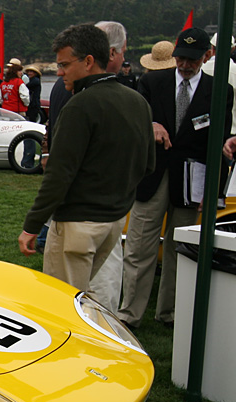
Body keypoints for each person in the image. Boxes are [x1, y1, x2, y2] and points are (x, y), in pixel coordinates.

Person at [18, 24, 155, 301]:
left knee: (62, 304)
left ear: (89, 61)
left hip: (77, 223)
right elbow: (147, 164)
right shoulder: (137, 101)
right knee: (96, 299)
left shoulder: (80, 105)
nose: (59, 72)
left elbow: (59, 173)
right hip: (115, 220)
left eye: (65, 64)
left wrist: (32, 225)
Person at [119, 27, 234, 329]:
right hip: (153, 176)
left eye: (192, 60)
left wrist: (214, 192)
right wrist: (153, 124)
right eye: (181, 58)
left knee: (179, 248)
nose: (184, 66)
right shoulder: (151, 82)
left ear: (207, 56)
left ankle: (169, 313)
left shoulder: (220, 90)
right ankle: (130, 314)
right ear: (173, 55)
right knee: (139, 247)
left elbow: (219, 143)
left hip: (192, 181)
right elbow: (134, 123)